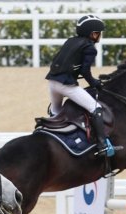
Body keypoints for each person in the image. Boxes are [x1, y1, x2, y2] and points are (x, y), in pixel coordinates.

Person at [45, 14, 115, 158]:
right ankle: (102, 144)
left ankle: (53, 138)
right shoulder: (90, 48)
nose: (100, 36)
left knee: (56, 112)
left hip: (52, 82)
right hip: (66, 85)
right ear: (93, 34)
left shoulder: (70, 41)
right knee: (96, 108)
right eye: (99, 33)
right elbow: (85, 71)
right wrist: (94, 83)